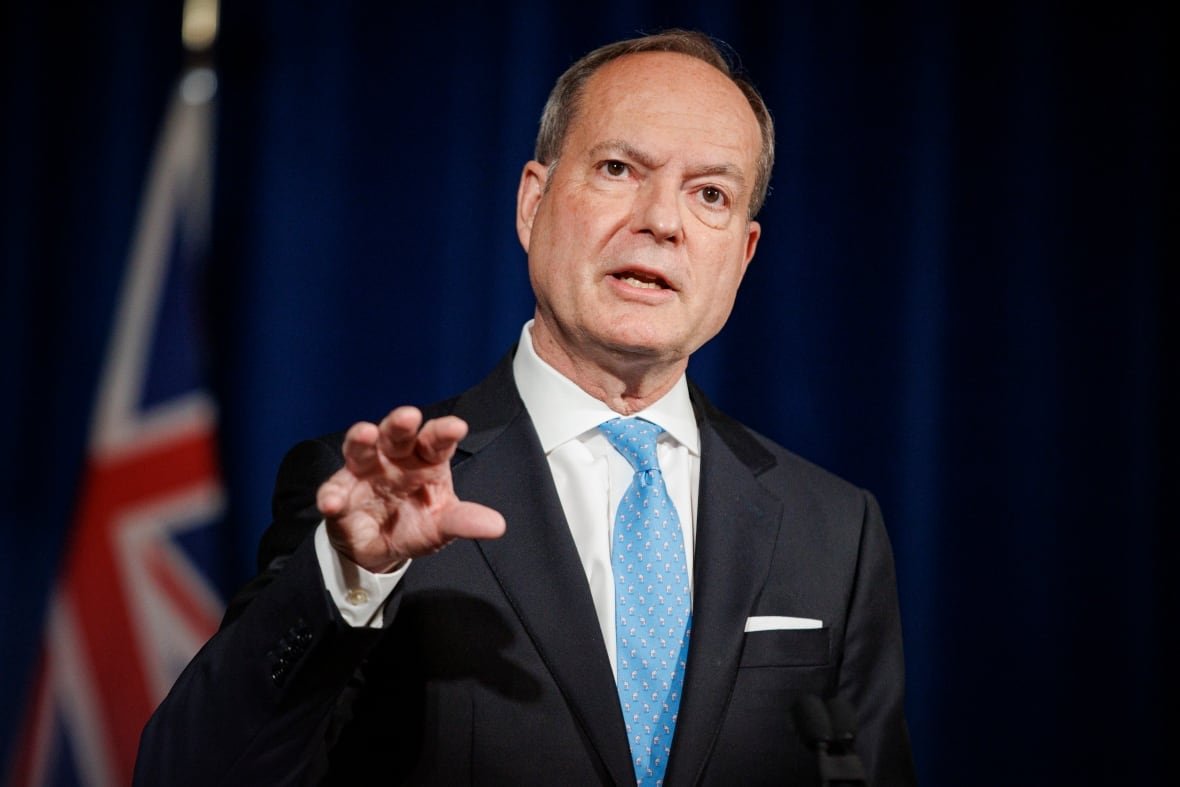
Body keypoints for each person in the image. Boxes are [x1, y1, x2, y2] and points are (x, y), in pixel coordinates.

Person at [135, 29, 915, 786]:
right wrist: (349, 576)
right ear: (532, 203)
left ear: (741, 255)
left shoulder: (833, 529)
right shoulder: (375, 500)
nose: (662, 222)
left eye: (709, 193)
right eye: (618, 168)